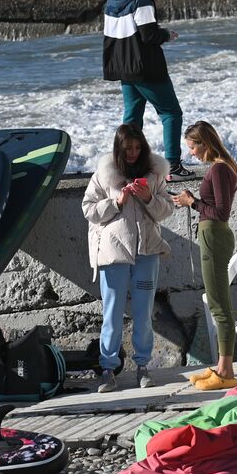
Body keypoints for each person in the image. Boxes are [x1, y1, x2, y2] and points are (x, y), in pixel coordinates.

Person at [83, 123, 175, 392]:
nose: (133, 153)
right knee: (111, 313)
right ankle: (107, 369)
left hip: (147, 252)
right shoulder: (104, 174)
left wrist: (148, 198)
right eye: (128, 148)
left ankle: (143, 367)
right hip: (113, 254)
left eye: (137, 148)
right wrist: (116, 203)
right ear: (119, 149)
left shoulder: (155, 174)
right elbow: (88, 209)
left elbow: (166, 210)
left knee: (143, 312)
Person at [102, 0, 193, 181]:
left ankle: (127, 167)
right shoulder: (141, 0)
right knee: (171, 113)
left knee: (132, 121)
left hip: (124, 70)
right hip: (146, 69)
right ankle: (172, 166)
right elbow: (148, 35)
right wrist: (167, 34)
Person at [173, 121, 237, 391]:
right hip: (211, 235)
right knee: (216, 303)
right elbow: (212, 207)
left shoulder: (219, 169)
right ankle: (222, 366)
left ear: (205, 143)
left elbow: (222, 212)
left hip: (215, 236)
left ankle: (226, 371)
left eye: (192, 147)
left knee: (219, 305)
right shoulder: (218, 168)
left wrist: (194, 203)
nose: (191, 153)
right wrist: (190, 201)